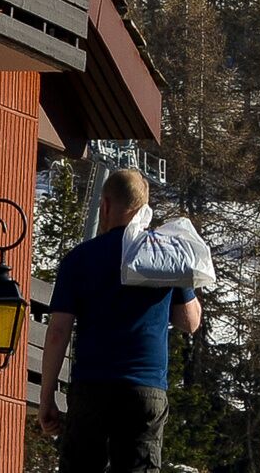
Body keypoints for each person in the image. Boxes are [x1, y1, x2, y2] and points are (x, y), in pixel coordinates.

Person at [40, 169, 200, 473]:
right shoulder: (163, 256)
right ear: (144, 210)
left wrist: (47, 397)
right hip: (145, 389)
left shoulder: (80, 259)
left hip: (92, 388)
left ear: (105, 205)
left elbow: (57, 332)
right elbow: (189, 321)